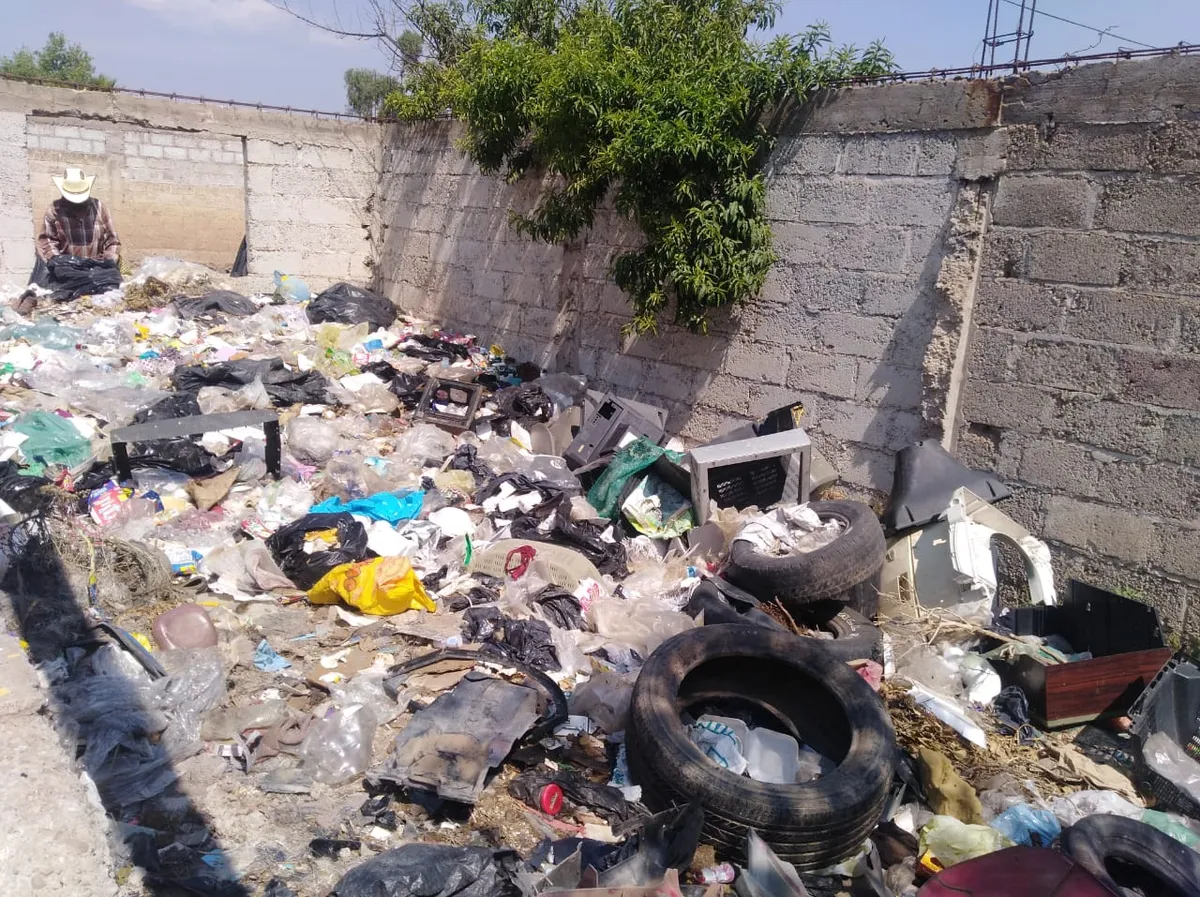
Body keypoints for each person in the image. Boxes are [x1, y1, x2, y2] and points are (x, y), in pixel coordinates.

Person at [36, 167, 121, 263]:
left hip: (97, 266)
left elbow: (112, 240)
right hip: (66, 268)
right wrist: (59, 262)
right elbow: (48, 241)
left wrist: (108, 260)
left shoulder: (99, 208)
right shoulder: (54, 211)